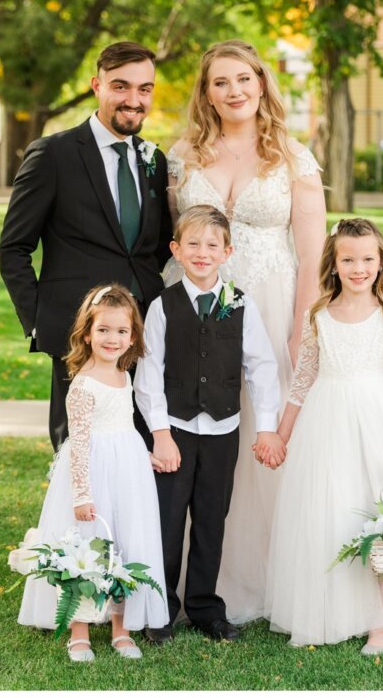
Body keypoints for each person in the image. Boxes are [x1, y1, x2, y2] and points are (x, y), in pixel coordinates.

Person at [165, 39, 326, 624]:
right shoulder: (183, 153)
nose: (233, 91)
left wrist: (297, 329)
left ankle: (259, 576)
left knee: (263, 428)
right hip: (194, 306)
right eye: (219, 82)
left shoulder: (292, 155)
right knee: (192, 428)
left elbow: (312, 254)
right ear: (206, 93)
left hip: (269, 302)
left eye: (243, 79)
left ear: (262, 83)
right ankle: (183, 576)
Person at [265, 218, 383, 652]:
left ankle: (380, 623)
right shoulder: (318, 315)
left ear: (381, 262)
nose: (359, 268)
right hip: (325, 421)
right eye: (349, 259)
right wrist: (282, 434)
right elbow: (302, 379)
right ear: (334, 264)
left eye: (368, 259)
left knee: (377, 513)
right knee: (328, 511)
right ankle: (326, 608)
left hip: (374, 423)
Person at [0, 42, 174, 453]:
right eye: (121, 86)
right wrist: (42, 321)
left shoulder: (154, 160)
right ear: (97, 85)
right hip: (78, 336)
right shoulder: (52, 154)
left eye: (145, 89)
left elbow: (158, 247)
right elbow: (13, 249)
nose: (134, 100)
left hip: (142, 331)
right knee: (80, 459)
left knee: (140, 453)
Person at [134, 205, 283, 643]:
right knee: (166, 524)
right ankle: (159, 609)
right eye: (193, 244)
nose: (202, 253)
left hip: (222, 431)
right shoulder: (162, 306)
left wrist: (267, 427)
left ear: (227, 252)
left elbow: (261, 366)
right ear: (176, 250)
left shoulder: (240, 304)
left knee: (211, 522)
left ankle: (204, 607)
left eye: (212, 245)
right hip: (174, 433)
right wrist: (160, 435)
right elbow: (147, 376)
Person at [18, 283, 168, 661]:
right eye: (103, 330)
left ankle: (122, 627)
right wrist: (82, 494)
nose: (112, 339)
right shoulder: (83, 384)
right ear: (87, 333)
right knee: (86, 547)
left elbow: (122, 421)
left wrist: (139, 453)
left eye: (121, 331)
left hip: (127, 470)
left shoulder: (122, 373)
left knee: (124, 544)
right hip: (93, 474)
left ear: (132, 336)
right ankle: (79, 630)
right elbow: (80, 444)